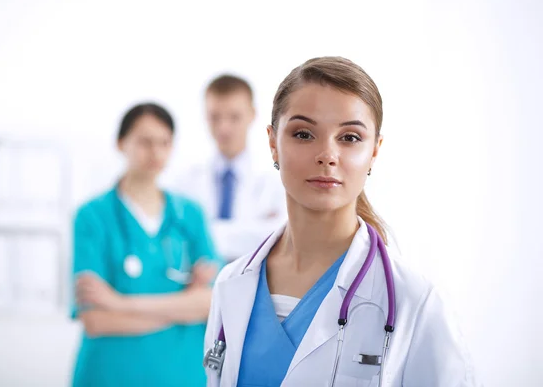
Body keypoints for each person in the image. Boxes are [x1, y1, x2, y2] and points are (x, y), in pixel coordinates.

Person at [203, 57, 478, 386]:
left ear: (374, 152)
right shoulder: (232, 284)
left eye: (349, 138)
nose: (327, 155)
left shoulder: (414, 302)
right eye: (304, 134)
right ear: (273, 143)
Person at [70, 103, 222, 387]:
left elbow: (210, 304)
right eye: (145, 142)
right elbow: (96, 321)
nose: (156, 152)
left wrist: (118, 303)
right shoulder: (92, 217)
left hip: (182, 375)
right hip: (109, 375)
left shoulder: (189, 215)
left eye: (164, 142)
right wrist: (181, 310)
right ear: (120, 143)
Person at [170, 75, 286, 261]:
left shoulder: (277, 179)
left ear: (252, 114)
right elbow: (175, 240)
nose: (223, 128)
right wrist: (251, 230)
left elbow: (280, 238)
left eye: (234, 117)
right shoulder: (184, 182)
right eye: (215, 117)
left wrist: (202, 232)